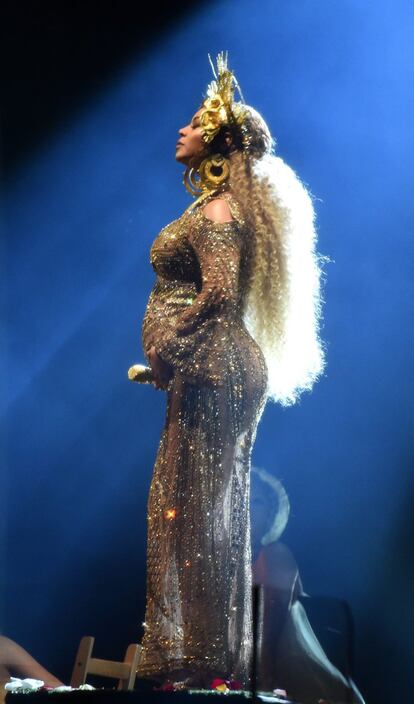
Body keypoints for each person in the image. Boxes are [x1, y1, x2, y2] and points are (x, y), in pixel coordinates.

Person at [135, 51, 326, 690]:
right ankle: (199, 659)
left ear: (217, 140)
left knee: (198, 508)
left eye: (194, 123)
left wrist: (171, 344)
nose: (181, 131)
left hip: (217, 365)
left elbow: (216, 294)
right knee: (195, 507)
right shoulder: (210, 208)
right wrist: (172, 353)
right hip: (211, 364)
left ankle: (204, 662)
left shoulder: (218, 211)